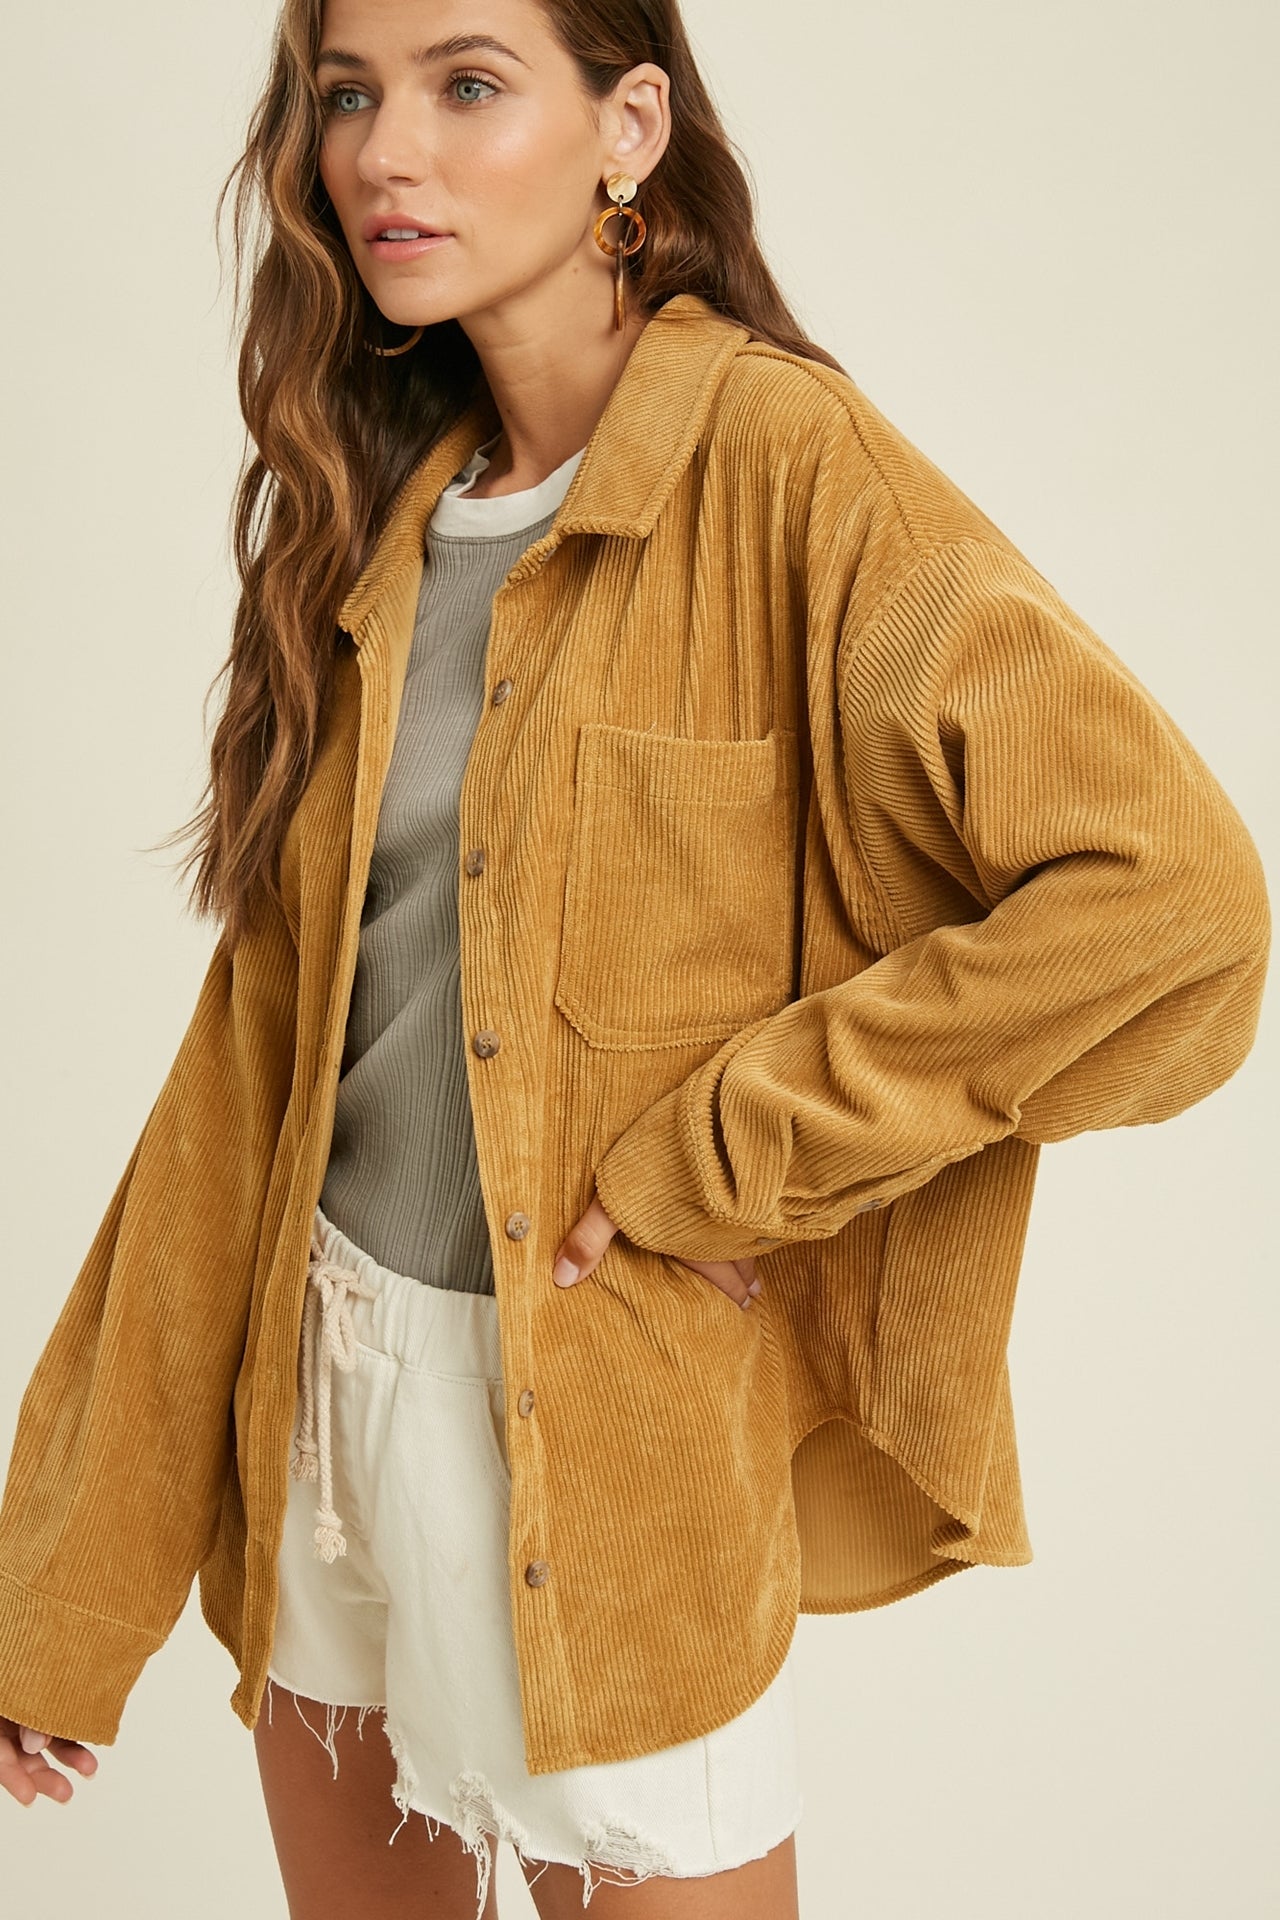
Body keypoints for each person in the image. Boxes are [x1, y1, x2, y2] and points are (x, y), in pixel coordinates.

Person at [0, 1, 1269, 1916]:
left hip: (609, 1455)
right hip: (321, 1425)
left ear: (630, 125)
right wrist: (63, 1584)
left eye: (468, 83)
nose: (384, 152)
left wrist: (736, 1147)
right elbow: (243, 1093)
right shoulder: (375, 514)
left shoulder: (783, 465)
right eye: (347, 95)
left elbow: (1173, 902)